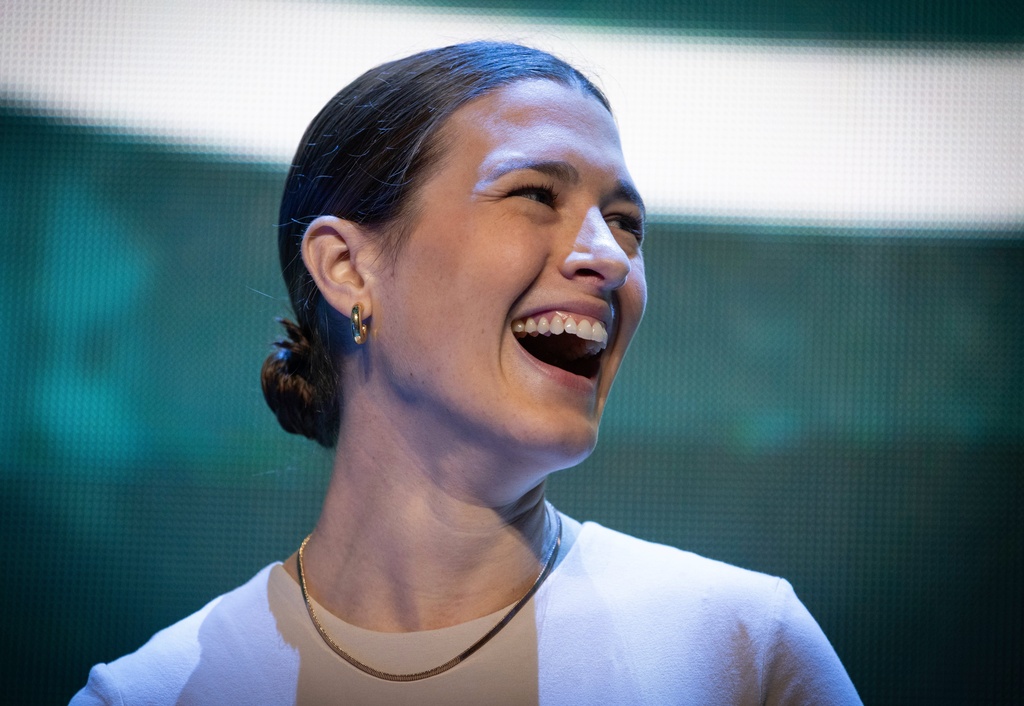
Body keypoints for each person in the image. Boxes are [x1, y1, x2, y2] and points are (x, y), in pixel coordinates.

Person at [71, 41, 861, 704]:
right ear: (347, 268)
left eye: (625, 223)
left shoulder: (740, 652)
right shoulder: (155, 693)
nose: (609, 255)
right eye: (534, 194)